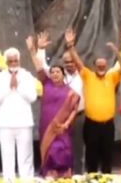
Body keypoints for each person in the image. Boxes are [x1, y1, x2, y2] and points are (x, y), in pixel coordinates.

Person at [65, 28, 121, 174]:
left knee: (107, 155)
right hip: (91, 124)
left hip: (108, 125)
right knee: (91, 155)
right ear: (94, 66)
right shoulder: (88, 75)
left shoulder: (112, 77)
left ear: (106, 66)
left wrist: (117, 52)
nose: (101, 67)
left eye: (103, 66)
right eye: (98, 66)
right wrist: (70, 46)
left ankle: (106, 178)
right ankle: (92, 178)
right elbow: (78, 62)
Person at [27, 35, 80, 177]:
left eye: (58, 72)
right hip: (46, 125)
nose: (55, 74)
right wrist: (32, 50)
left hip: (63, 127)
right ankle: (50, 175)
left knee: (63, 150)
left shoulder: (71, 92)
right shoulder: (47, 84)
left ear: (63, 75)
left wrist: (66, 124)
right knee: (49, 151)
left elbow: (74, 111)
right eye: (53, 72)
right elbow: (38, 67)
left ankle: (65, 176)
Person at [0, 47, 37, 180]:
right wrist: (9, 87)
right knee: (7, 157)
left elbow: (32, 97)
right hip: (5, 124)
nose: (13, 63)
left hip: (24, 123)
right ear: (6, 62)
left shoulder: (27, 76)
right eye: (10, 61)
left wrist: (18, 86)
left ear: (19, 60)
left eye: (15, 60)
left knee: (26, 156)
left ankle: (27, 180)